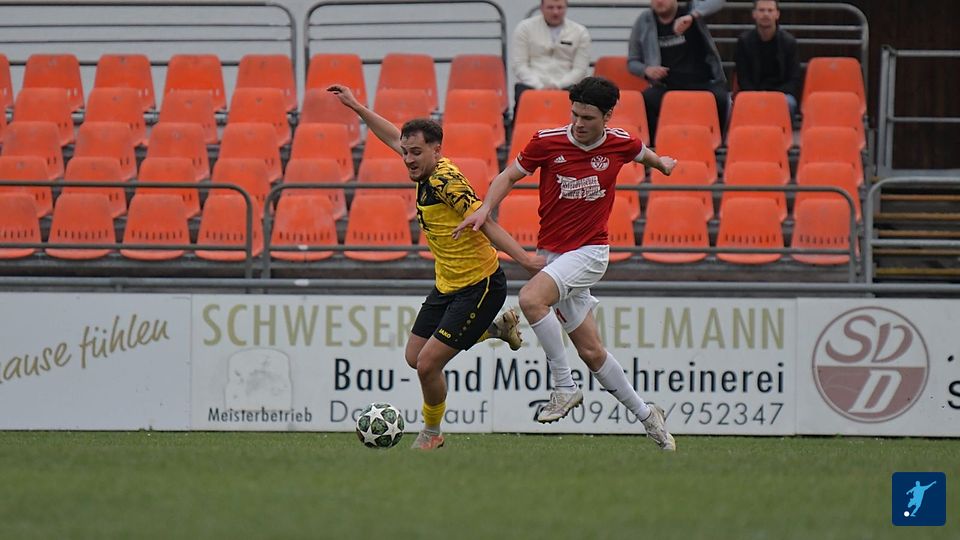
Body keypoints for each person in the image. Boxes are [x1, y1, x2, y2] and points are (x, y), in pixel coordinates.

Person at [453, 77, 678, 451]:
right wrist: (485, 208)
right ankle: (648, 415)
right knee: (592, 352)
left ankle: (563, 386)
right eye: (575, 114)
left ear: (607, 116)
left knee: (530, 299)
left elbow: (644, 154)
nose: (579, 123)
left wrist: (663, 164)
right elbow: (508, 175)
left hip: (591, 252)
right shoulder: (547, 142)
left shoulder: (619, 142)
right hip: (555, 255)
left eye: (588, 117)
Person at [328, 84, 544, 451]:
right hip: (448, 284)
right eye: (405, 152)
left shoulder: (447, 182)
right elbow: (391, 136)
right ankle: (494, 329)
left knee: (428, 365)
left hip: (480, 285)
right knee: (414, 357)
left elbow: (486, 221)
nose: (408, 159)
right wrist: (357, 107)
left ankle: (432, 432)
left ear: (436, 150)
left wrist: (525, 260)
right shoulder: (421, 166)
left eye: (416, 152)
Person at [626, 0, 728, 144]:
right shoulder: (644, 20)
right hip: (667, 86)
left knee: (722, 98)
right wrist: (646, 70)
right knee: (646, 99)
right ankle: (655, 147)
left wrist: (693, 16)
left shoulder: (690, 10)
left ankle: (717, 147)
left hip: (703, 83)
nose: (660, 1)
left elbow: (718, 2)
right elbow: (632, 62)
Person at [511, 0, 591, 117]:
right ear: (541, 8)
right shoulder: (524, 28)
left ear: (566, 8)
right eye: (550, 7)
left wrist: (558, 85)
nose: (555, 12)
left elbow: (580, 69)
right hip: (532, 84)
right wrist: (539, 86)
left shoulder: (580, 32)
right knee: (521, 92)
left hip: (567, 86)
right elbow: (519, 65)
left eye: (560, 7)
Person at [734, 0, 802, 116]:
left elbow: (794, 79)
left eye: (770, 10)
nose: (766, 14)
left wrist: (774, 96)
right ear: (754, 14)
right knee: (741, 103)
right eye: (761, 10)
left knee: (788, 103)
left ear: (777, 14)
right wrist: (757, 96)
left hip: (782, 95)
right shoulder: (744, 42)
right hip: (752, 94)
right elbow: (743, 78)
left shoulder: (789, 42)